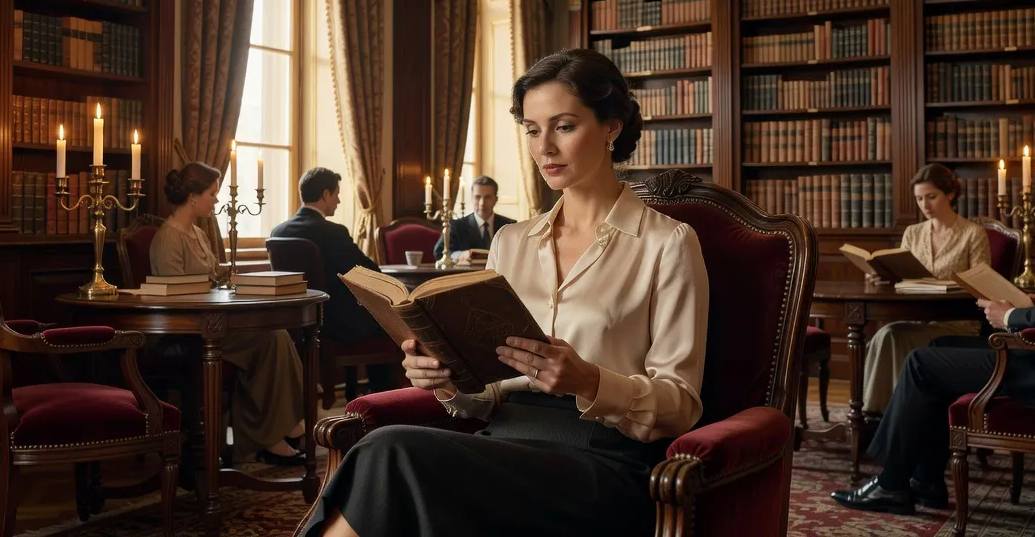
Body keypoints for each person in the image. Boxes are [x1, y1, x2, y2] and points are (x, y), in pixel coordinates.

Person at [298, 48, 710, 537]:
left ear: (611, 127)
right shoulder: (510, 242)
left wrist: (588, 381)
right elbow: (485, 397)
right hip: (501, 443)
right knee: (392, 457)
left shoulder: (669, 243)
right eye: (533, 130)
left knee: (390, 451)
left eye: (563, 126)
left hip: (601, 463)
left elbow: (681, 404)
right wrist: (444, 378)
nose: (544, 148)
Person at [831, 134, 1035, 514]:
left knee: (922, 364)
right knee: (936, 351)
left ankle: (891, 483)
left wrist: (1011, 316)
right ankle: (925, 480)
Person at [150, 162, 309, 466]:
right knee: (272, 339)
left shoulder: (197, 233)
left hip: (215, 322)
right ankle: (274, 433)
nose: (217, 200)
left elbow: (213, 279)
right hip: (192, 331)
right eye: (212, 193)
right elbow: (177, 296)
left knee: (277, 335)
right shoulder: (169, 237)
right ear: (193, 196)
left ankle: (276, 430)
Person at [861, 164, 990, 415]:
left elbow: (981, 287)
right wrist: (886, 277)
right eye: (919, 199)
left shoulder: (973, 234)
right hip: (916, 317)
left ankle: (885, 414)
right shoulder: (913, 232)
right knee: (883, 335)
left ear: (950, 194)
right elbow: (903, 277)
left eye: (931, 197)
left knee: (891, 335)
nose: (925, 205)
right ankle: (879, 415)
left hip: (957, 322)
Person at [269, 168, 394, 391]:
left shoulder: (279, 231)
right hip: (334, 323)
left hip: (295, 321)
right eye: (337, 194)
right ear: (326, 194)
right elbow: (365, 271)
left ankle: (357, 391)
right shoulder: (332, 232)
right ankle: (382, 397)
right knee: (390, 321)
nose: (338, 200)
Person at [433, 175, 516, 264]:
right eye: (477, 197)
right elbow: (439, 253)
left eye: (487, 197)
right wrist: (461, 255)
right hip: (467, 275)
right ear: (472, 198)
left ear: (496, 199)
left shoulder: (509, 225)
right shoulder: (456, 226)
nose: (482, 203)